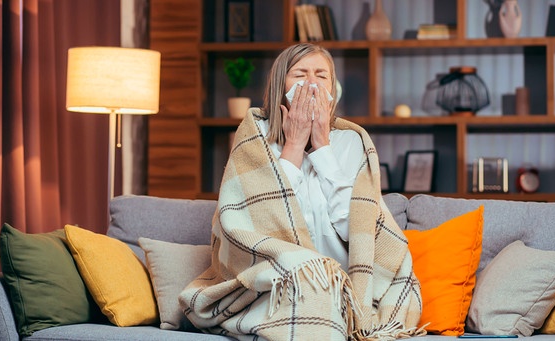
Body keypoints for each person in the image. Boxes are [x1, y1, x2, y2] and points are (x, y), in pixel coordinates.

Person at [179, 43, 423, 341]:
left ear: (333, 89)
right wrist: (294, 144)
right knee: (309, 302)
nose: (311, 84)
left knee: (322, 301)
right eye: (300, 74)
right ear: (280, 85)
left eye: (321, 76)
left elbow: (355, 229)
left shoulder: (351, 142)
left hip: (340, 286)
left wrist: (322, 148)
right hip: (275, 281)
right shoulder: (255, 139)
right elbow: (262, 226)